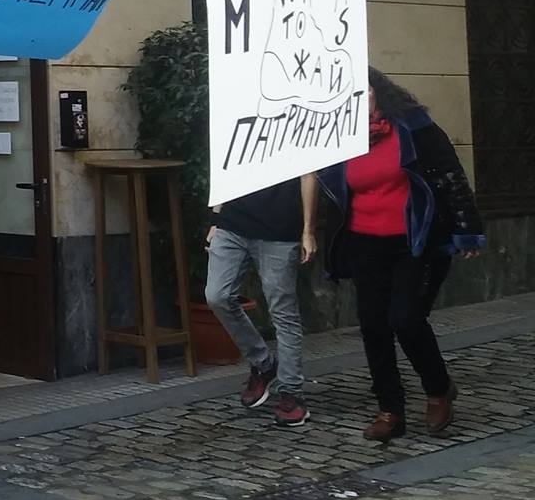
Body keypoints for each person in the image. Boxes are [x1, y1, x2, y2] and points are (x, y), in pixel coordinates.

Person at [316, 69, 485, 443]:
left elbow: (449, 175)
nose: (357, 102)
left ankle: (439, 388)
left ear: (380, 94)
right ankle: (390, 410)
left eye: (364, 93)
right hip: (364, 242)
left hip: (414, 239)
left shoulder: (414, 127)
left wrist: (465, 229)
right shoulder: (337, 137)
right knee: (373, 325)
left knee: (406, 319)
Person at [205, 174, 316, 427]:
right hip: (232, 224)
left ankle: (292, 393)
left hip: (279, 229)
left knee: (283, 313)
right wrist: (215, 218)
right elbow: (227, 163)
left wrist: (308, 230)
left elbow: (309, 174)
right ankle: (263, 364)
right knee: (217, 296)